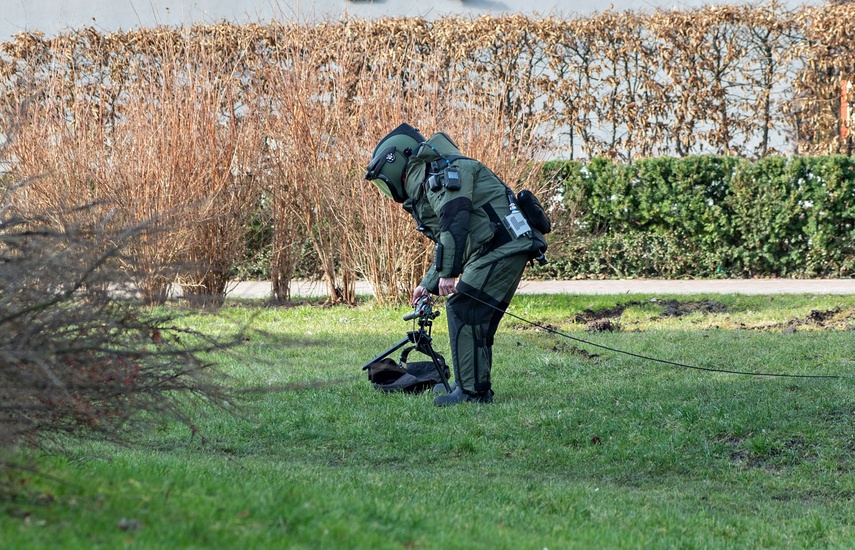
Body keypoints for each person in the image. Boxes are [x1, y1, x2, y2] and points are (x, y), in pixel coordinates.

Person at [364, 123, 547, 406]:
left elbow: (454, 220)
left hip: (500, 248)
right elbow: (448, 240)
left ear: (396, 161)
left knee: (465, 309)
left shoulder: (445, 173)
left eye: (382, 182)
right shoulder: (433, 178)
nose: (386, 190)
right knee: (476, 320)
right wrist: (427, 285)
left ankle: (470, 393)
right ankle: (475, 388)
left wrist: (448, 274)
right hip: (502, 247)